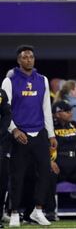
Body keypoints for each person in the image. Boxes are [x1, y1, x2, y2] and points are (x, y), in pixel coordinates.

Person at [1, 45, 57, 227]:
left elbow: (46, 109)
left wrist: (51, 134)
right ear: (18, 60)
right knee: (18, 175)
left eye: (31, 57)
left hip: (39, 132)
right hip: (19, 134)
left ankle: (37, 210)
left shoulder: (42, 80)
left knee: (45, 173)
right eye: (24, 57)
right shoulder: (9, 81)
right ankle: (15, 211)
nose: (28, 60)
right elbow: (4, 110)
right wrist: (14, 130)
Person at [46, 100, 76, 219]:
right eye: (67, 111)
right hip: (58, 164)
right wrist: (49, 161)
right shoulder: (49, 128)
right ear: (56, 114)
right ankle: (50, 211)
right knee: (48, 174)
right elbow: (42, 147)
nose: (70, 113)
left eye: (70, 110)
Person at [0, 89, 11, 229]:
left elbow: (7, 113)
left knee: (1, 181)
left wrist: (1, 132)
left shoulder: (1, 94)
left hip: (0, 143)